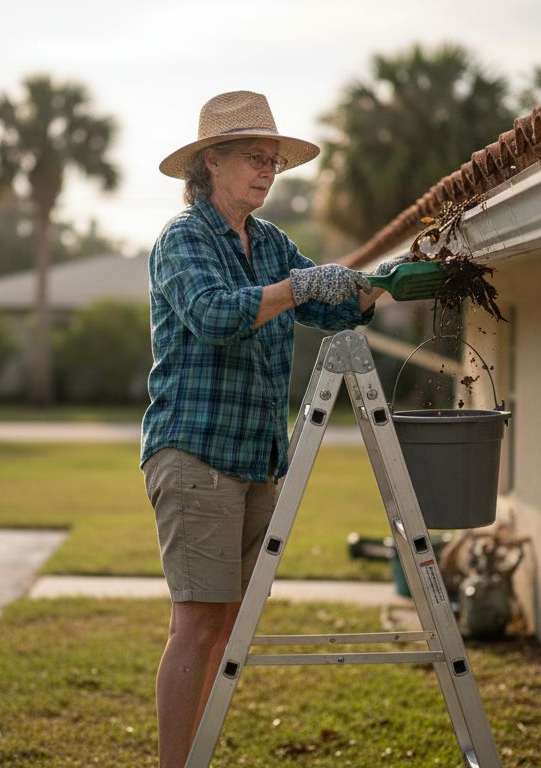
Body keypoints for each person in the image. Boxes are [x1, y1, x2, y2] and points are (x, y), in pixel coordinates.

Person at [140, 90, 402, 767]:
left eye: (273, 161)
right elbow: (216, 316)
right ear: (212, 163)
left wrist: (381, 283)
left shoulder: (271, 243)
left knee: (227, 625)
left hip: (259, 457)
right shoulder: (183, 239)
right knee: (197, 623)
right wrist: (303, 287)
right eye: (254, 158)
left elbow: (334, 310)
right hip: (195, 453)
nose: (267, 170)